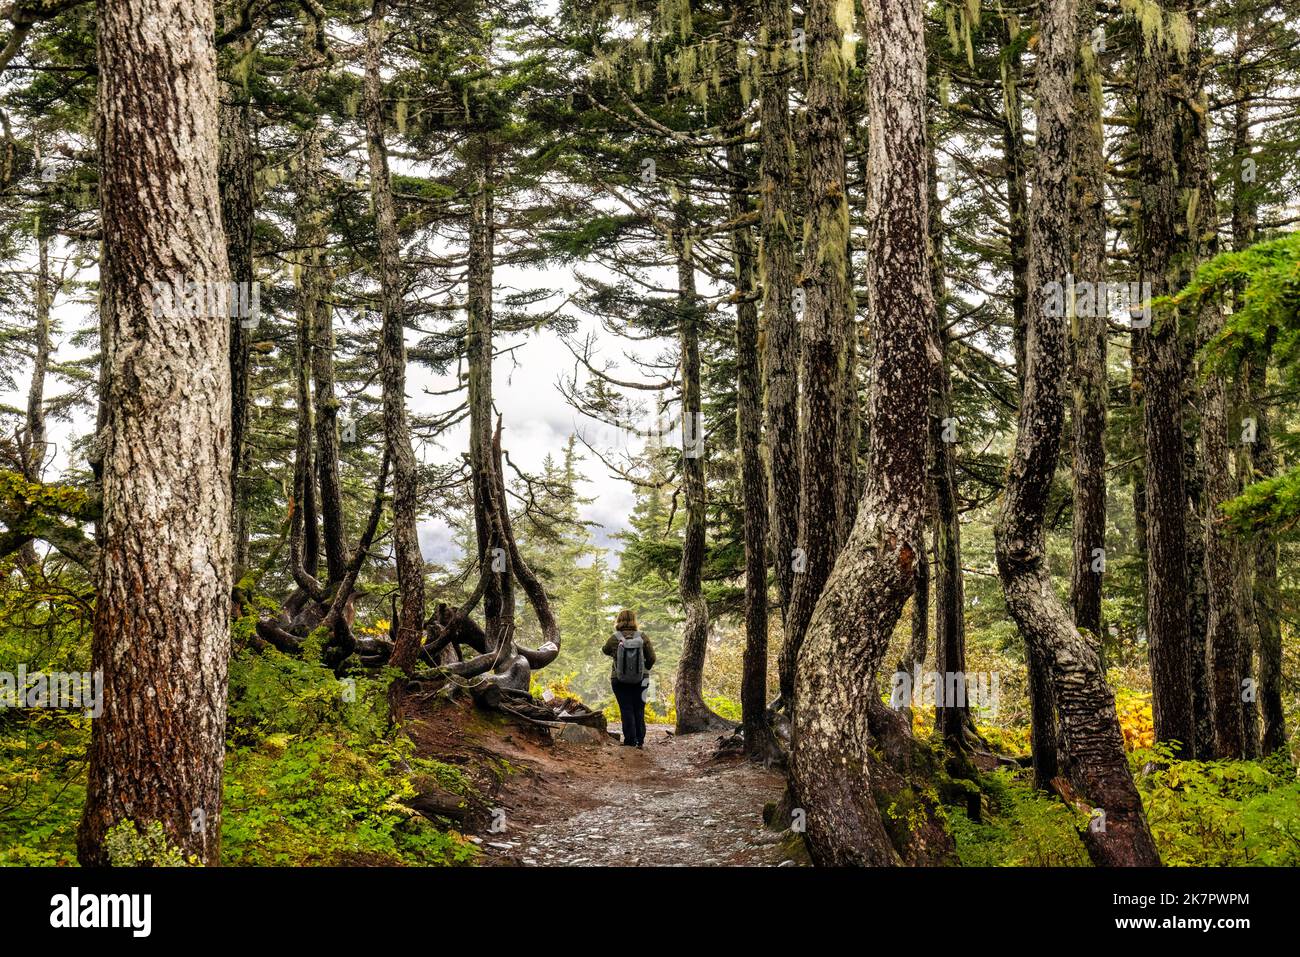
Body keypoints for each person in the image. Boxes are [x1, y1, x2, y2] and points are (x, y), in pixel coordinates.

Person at [602, 608, 655, 748]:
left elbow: (605, 650)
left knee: (626, 709)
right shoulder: (642, 636)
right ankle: (640, 740)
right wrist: (645, 669)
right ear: (634, 620)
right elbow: (652, 658)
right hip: (642, 680)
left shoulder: (615, 637)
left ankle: (630, 741)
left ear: (618, 620)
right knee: (639, 708)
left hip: (619, 679)